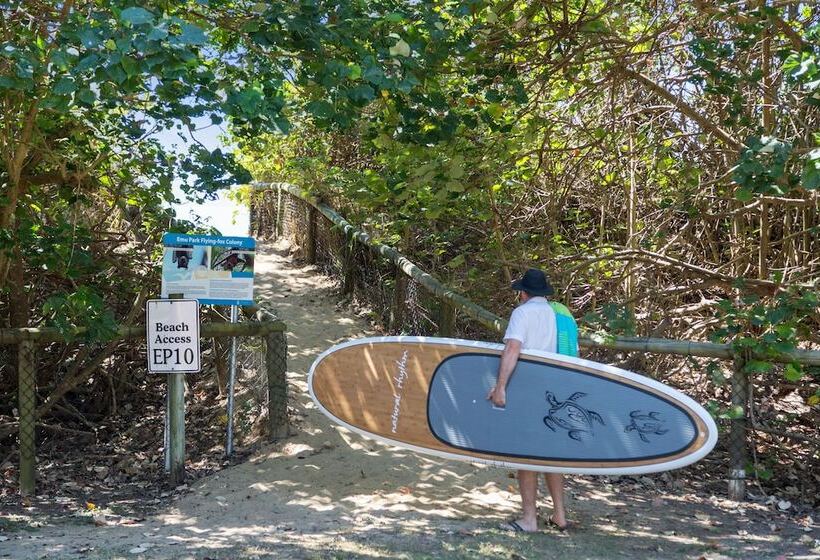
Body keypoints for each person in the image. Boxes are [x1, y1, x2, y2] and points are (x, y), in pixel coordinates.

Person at [487, 268, 579, 533]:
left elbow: (513, 349)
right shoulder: (559, 314)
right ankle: (560, 516)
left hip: (529, 391)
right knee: (550, 456)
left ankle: (529, 520)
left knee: (525, 457)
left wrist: (501, 387)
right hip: (555, 393)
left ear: (523, 293)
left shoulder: (522, 313)